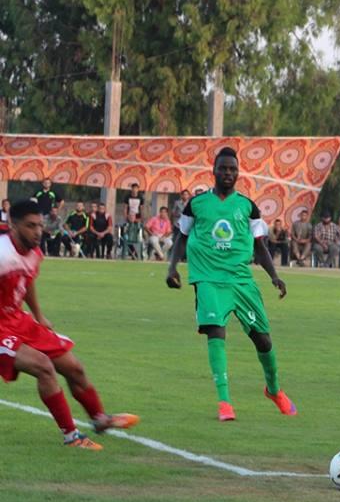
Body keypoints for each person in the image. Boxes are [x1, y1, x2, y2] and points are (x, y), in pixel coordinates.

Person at [166, 147, 296, 422]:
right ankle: (224, 402)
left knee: (263, 339)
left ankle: (274, 390)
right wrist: (172, 267)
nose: (228, 173)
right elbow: (182, 237)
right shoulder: (196, 204)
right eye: (223, 168)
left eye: (232, 169)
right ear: (213, 171)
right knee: (216, 332)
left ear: (238, 173)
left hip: (241, 280)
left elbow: (259, 246)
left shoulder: (248, 207)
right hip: (208, 279)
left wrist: (274, 276)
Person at [1, 200, 140, 449]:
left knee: (73, 367)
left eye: (39, 225)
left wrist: (39, 315)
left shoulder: (34, 252)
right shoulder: (2, 254)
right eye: (30, 226)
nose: (37, 231)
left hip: (18, 319)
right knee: (43, 367)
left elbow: (27, 281)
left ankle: (99, 419)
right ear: (13, 225)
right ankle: (71, 436)